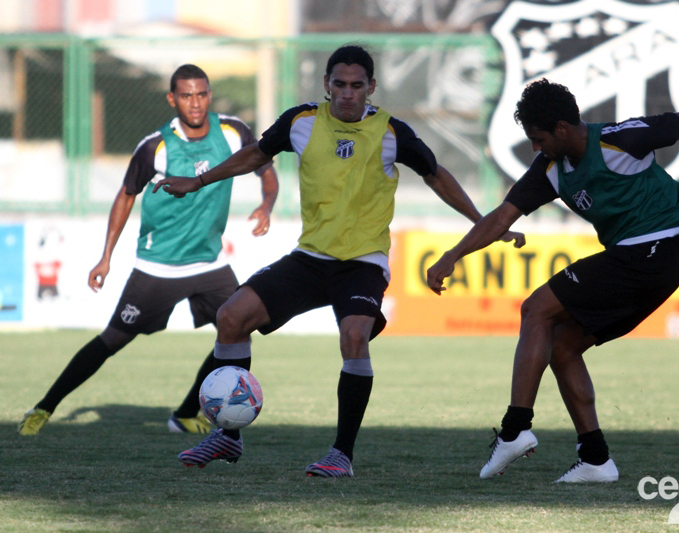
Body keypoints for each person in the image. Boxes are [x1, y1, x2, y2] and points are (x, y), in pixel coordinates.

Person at [155, 45, 525, 476]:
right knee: (231, 316)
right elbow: (257, 153)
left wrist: (485, 223)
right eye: (339, 85)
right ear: (326, 85)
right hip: (310, 258)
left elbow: (435, 174)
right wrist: (199, 181)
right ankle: (228, 437)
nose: (347, 94)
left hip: (362, 263)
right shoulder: (301, 122)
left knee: (353, 337)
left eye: (356, 86)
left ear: (371, 88)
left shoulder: (391, 132)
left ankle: (341, 456)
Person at [427, 79, 679, 482]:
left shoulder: (622, 138)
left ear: (563, 129)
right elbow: (501, 217)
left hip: (653, 250)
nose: (535, 147)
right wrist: (451, 255)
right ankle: (596, 458)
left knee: (535, 309)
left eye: (539, 138)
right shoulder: (550, 170)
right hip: (646, 264)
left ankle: (514, 429)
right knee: (562, 346)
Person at [18, 64, 279, 437]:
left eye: (202, 94)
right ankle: (43, 407)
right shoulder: (154, 147)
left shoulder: (234, 131)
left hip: (209, 263)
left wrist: (267, 205)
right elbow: (126, 196)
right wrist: (106, 257)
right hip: (159, 267)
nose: (196, 102)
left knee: (239, 329)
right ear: (172, 99)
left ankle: (186, 414)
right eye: (186, 95)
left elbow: (265, 168)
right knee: (112, 340)